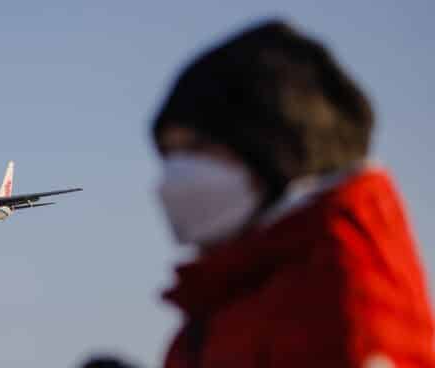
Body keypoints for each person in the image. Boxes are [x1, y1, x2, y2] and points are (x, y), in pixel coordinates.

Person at [83, 19, 435, 368]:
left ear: (274, 154)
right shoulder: (234, 296)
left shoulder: (346, 310)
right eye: (171, 154)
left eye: (198, 148)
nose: (175, 176)